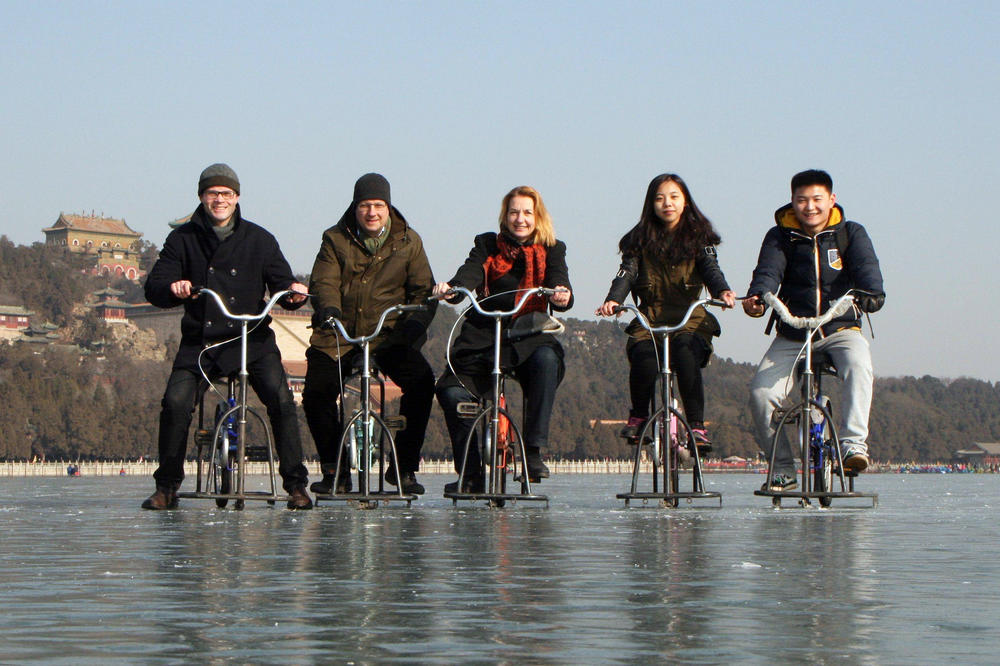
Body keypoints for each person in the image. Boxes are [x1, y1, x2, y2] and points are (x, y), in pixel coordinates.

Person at [142, 163, 312, 510]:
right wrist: (175, 288)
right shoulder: (182, 239)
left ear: (237, 197)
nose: (219, 200)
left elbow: (282, 284)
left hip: (252, 339)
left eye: (226, 194)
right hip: (202, 344)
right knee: (175, 403)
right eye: (212, 193)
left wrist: (293, 293)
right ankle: (167, 485)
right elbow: (155, 287)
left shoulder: (260, 239)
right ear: (202, 197)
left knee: (281, 401)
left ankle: (296, 484)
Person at [743, 169, 885, 490]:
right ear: (792, 202)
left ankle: (853, 445)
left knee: (860, 367)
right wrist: (758, 298)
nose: (810, 207)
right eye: (802, 200)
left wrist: (871, 293)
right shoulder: (781, 236)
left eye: (817, 199)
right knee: (761, 393)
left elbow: (866, 268)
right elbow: (768, 271)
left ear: (831, 200)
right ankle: (782, 469)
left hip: (840, 327)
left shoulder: (850, 233)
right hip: (793, 332)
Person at [303, 173, 437, 496]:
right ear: (356, 207)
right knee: (316, 393)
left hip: (388, 336)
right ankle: (335, 468)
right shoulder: (335, 239)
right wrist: (329, 311)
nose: (372, 212)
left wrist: (412, 328)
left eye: (378, 205)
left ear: (388, 208)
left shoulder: (409, 242)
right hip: (340, 335)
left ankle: (403, 466)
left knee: (422, 382)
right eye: (365, 205)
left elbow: (424, 292)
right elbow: (324, 282)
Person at [433, 186, 573, 493]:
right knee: (452, 393)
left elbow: (558, 278)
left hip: (529, 331)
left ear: (538, 217)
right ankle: (470, 475)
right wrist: (454, 289)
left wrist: (561, 293)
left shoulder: (552, 248)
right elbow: (469, 273)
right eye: (513, 212)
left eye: (527, 212)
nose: (520, 219)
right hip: (484, 333)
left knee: (547, 360)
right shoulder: (486, 245)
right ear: (504, 216)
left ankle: (533, 452)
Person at [597, 174, 736, 454]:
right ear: (651, 204)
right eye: (659, 198)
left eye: (673, 197)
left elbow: (711, 269)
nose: (667, 203)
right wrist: (613, 300)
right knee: (643, 358)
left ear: (685, 201)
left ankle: (697, 425)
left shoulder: (699, 238)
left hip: (689, 319)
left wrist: (723, 291)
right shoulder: (638, 240)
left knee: (686, 355)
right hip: (650, 318)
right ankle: (638, 417)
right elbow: (626, 274)